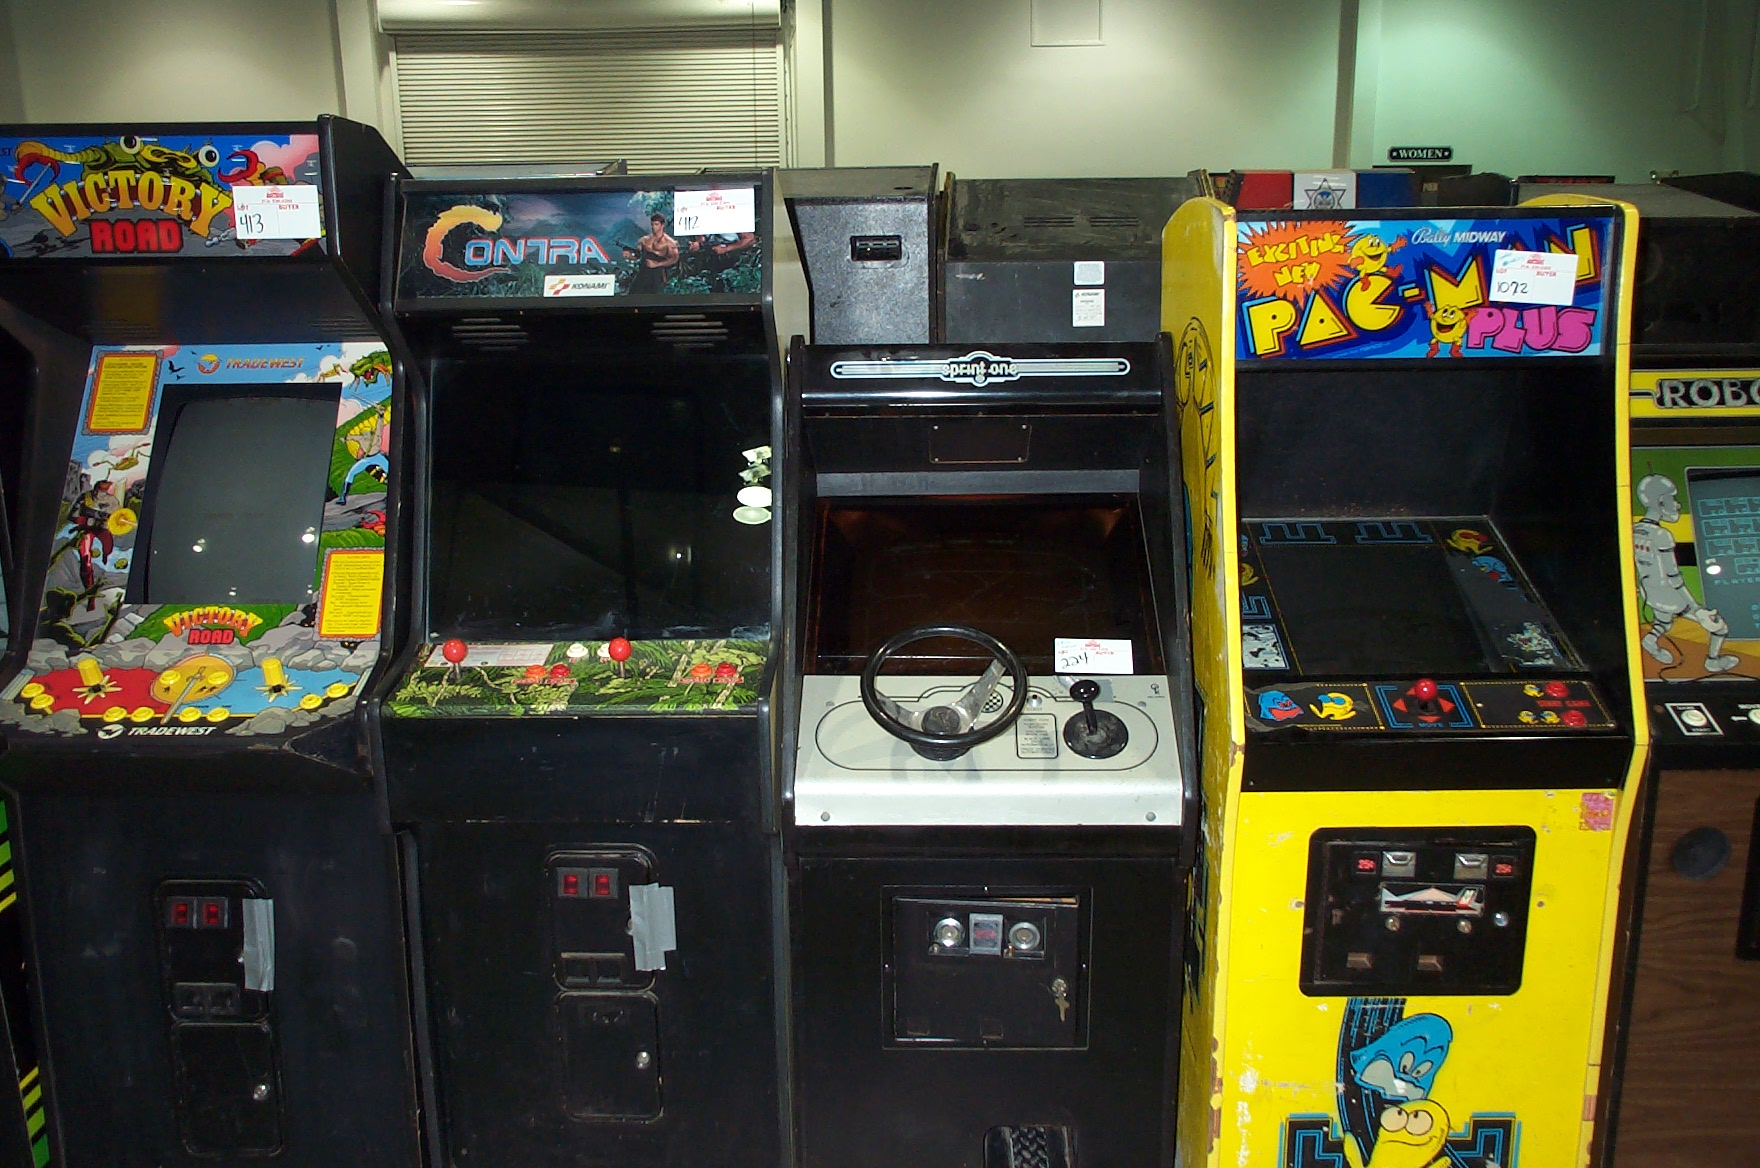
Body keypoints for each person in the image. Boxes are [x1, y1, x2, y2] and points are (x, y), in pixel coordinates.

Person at [1634, 473, 1739, 672]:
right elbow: (1674, 577)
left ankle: (1650, 640)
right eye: (1672, 499)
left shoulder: (1634, 529)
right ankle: (1712, 661)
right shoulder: (1662, 535)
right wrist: (1696, 608)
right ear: (1660, 502)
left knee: (1663, 621)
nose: (1678, 505)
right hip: (1671, 595)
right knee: (1719, 628)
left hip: (1650, 592)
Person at [623, 212, 679, 294]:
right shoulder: (644, 240)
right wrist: (629, 255)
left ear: (662, 225)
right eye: (652, 224)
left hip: (657, 275)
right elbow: (637, 256)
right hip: (642, 274)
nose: (653, 227)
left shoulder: (669, 242)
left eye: (656, 224)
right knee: (633, 295)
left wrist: (657, 264)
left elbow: (674, 258)